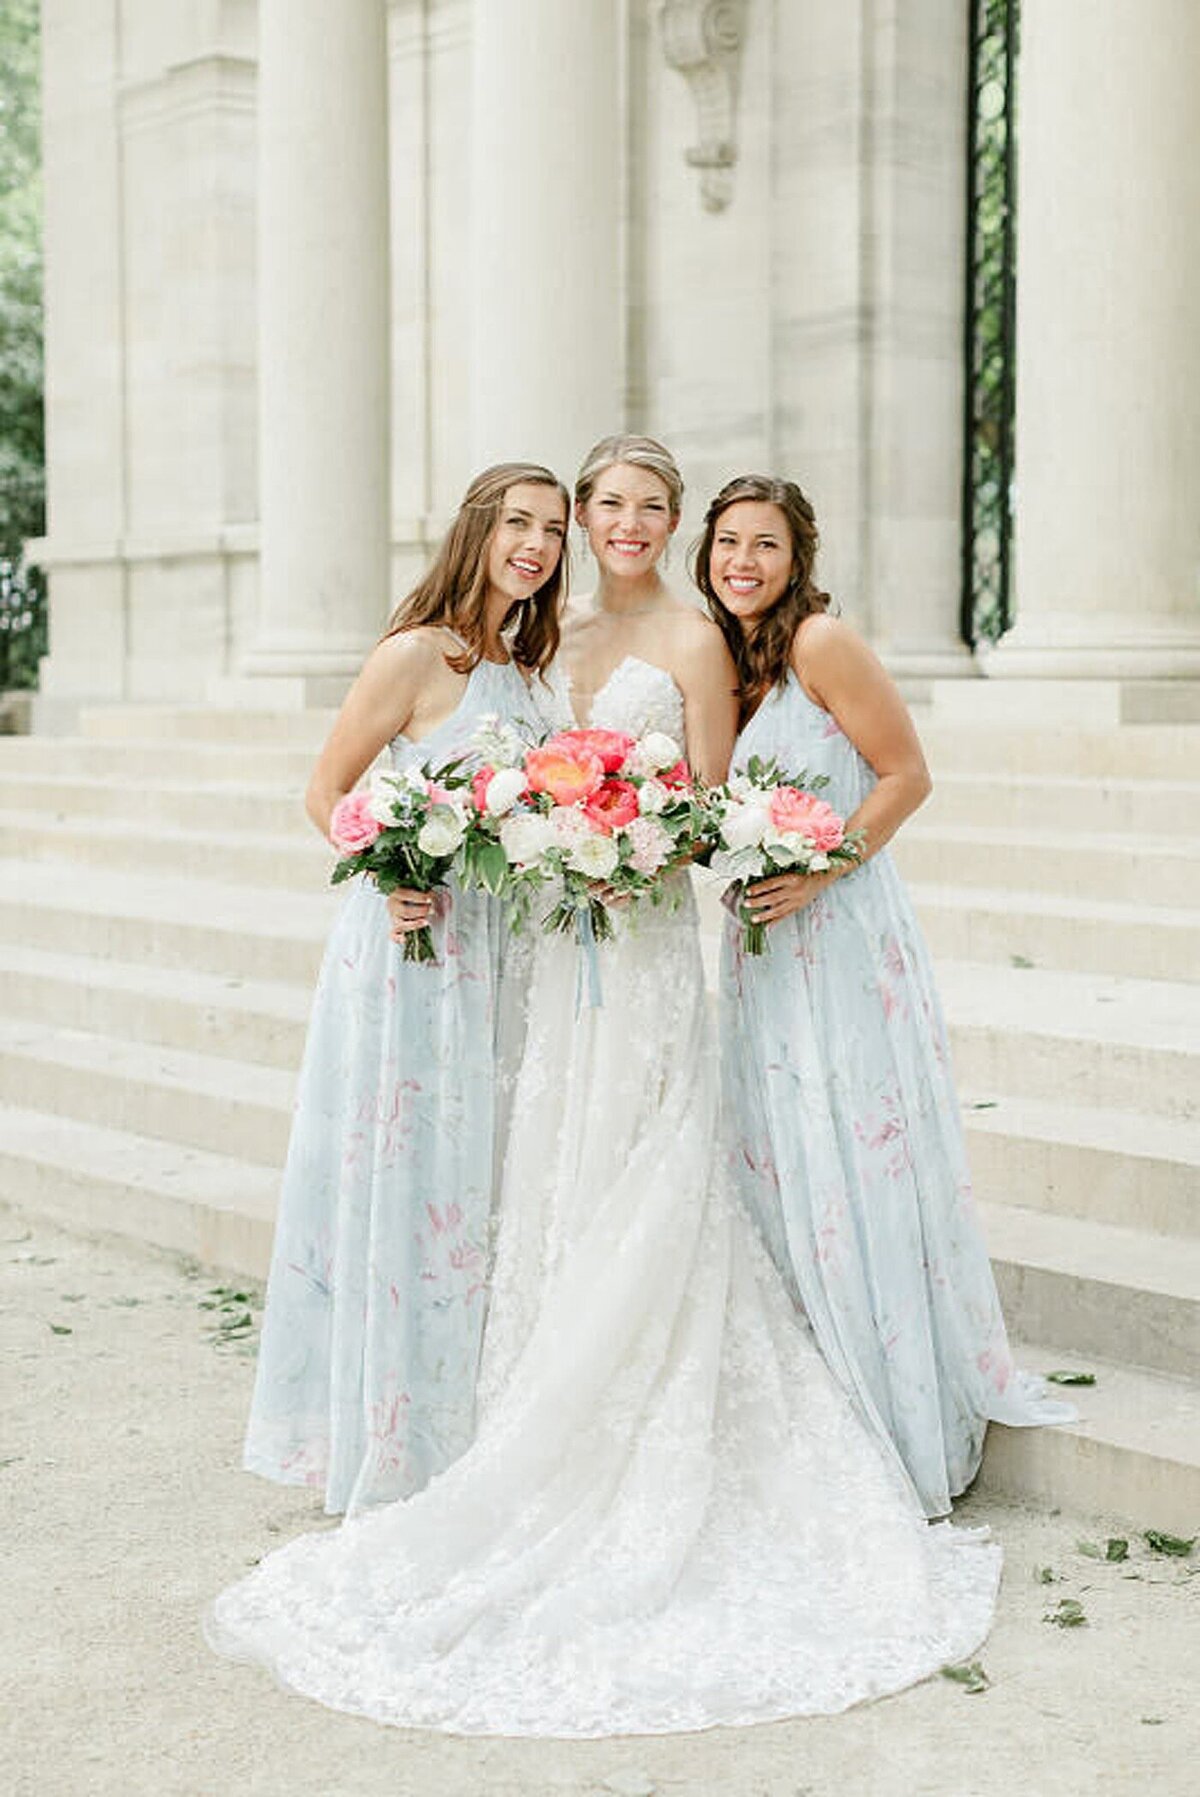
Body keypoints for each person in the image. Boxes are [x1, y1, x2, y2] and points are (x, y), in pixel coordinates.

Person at [208, 441, 1000, 1737]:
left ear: (671, 523)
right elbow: (459, 783)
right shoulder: (537, 647)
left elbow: (704, 810)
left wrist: (626, 843)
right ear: (582, 521)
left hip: (635, 963)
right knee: (549, 1178)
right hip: (536, 973)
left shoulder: (695, 642)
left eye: (650, 507)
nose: (623, 524)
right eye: (603, 506)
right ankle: (515, 1418)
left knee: (648, 1173)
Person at [697, 473, 1074, 1519]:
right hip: (759, 942)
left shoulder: (819, 643)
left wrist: (820, 871)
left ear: (798, 557)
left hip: (842, 931)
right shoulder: (729, 660)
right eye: (729, 542)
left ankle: (893, 1396)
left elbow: (905, 773)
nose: (745, 563)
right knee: (783, 1147)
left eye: (765, 545)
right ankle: (814, 1377)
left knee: (853, 1143)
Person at [242, 462, 569, 1516]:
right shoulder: (417, 656)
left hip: (505, 957)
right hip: (415, 954)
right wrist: (391, 875)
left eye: (554, 530)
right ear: (476, 529)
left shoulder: (528, 673)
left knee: (479, 1184)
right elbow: (326, 791)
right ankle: (391, 1434)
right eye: (519, 522)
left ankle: (468, 1418)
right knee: (415, 1177)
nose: (537, 544)